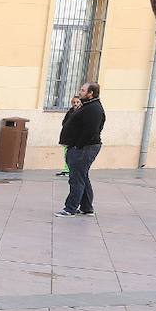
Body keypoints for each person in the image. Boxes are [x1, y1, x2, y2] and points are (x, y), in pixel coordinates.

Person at [57, 81, 105, 217]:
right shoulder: (86, 106)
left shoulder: (94, 109)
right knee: (82, 176)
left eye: (83, 90)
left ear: (91, 93)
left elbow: (91, 131)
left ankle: (70, 208)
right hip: (80, 147)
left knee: (76, 178)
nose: (80, 92)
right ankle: (86, 207)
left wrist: (77, 145)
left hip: (85, 148)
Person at [57, 94, 81, 176]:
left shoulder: (81, 112)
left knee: (73, 155)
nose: (75, 104)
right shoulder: (70, 112)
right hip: (67, 137)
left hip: (75, 139)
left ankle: (71, 170)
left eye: (77, 102)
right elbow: (64, 122)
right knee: (66, 154)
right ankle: (66, 170)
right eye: (74, 102)